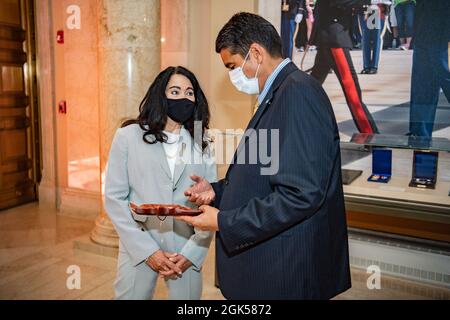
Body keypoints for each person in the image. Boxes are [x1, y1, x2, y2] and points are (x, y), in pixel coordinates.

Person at [177, 12, 351, 299]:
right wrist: (216, 191)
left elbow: (301, 194)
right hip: (270, 264)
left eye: (233, 66)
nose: (233, 76)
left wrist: (223, 222)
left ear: (255, 53)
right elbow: (266, 172)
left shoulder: (298, 94)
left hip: (284, 270)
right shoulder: (279, 93)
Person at [104, 66, 216, 299]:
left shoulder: (202, 141)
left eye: (189, 92)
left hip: (186, 245)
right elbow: (115, 198)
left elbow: (211, 200)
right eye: (174, 91)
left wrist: (193, 252)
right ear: (160, 95)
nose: (183, 98)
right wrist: (148, 251)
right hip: (139, 242)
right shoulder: (128, 136)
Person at [308, 0, 390, 134]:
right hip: (334, 36)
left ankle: (286, 116)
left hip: (332, 33)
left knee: (310, 88)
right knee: (351, 90)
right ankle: (369, 133)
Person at [409, 0, 450, 137]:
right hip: (424, 32)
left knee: (447, 79)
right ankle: (420, 134)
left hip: (444, 35)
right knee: (422, 86)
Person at [358, 3, 389, 74]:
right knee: (365, 40)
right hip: (364, 10)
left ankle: (374, 66)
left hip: (378, 10)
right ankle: (366, 66)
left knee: (377, 40)